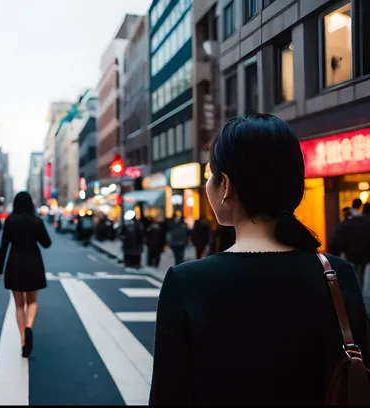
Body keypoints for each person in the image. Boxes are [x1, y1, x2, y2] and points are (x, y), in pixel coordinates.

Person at [149, 113, 369, 405]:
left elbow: (169, 394)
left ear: (225, 185)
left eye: (211, 175)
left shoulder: (187, 282)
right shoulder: (336, 274)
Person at [0, 191, 51, 358]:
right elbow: (46, 244)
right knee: (32, 302)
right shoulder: (37, 221)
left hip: (14, 263)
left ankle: (24, 339)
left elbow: (3, 247)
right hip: (33, 263)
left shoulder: (10, 222)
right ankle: (29, 326)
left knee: (19, 305)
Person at [328, 200, 370, 288]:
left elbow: (334, 245)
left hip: (351, 258)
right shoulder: (365, 223)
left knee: (353, 283)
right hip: (366, 259)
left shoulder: (347, 224)